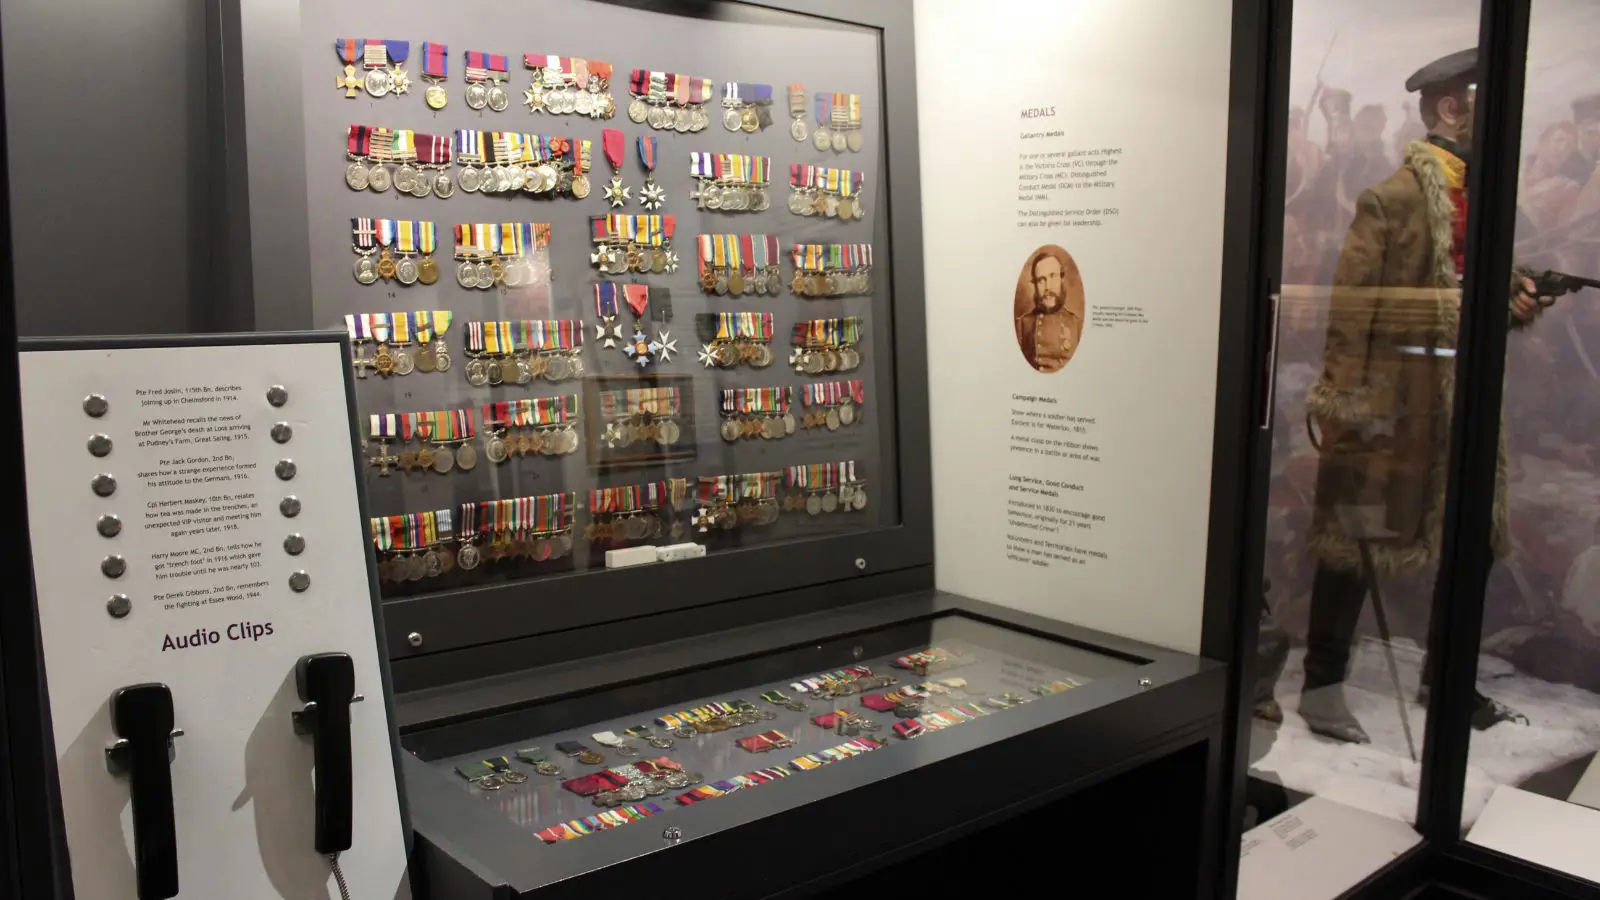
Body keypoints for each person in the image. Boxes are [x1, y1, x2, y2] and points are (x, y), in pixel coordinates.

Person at [1289, 47, 1542, 743]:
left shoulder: (1484, 198)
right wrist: (1346, 403)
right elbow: (1352, 311)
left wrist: (1512, 296)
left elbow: (1462, 291)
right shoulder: (1392, 199)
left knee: (1471, 540)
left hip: (1462, 404)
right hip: (1395, 407)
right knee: (1354, 538)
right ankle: (1322, 684)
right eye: (1481, 101)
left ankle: (1445, 679)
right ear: (1451, 108)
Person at [1015, 248, 1082, 372]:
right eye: (1041, 280)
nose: (1048, 287)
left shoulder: (1076, 323)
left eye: (1053, 276)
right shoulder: (1023, 324)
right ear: (1035, 285)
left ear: (1062, 279)